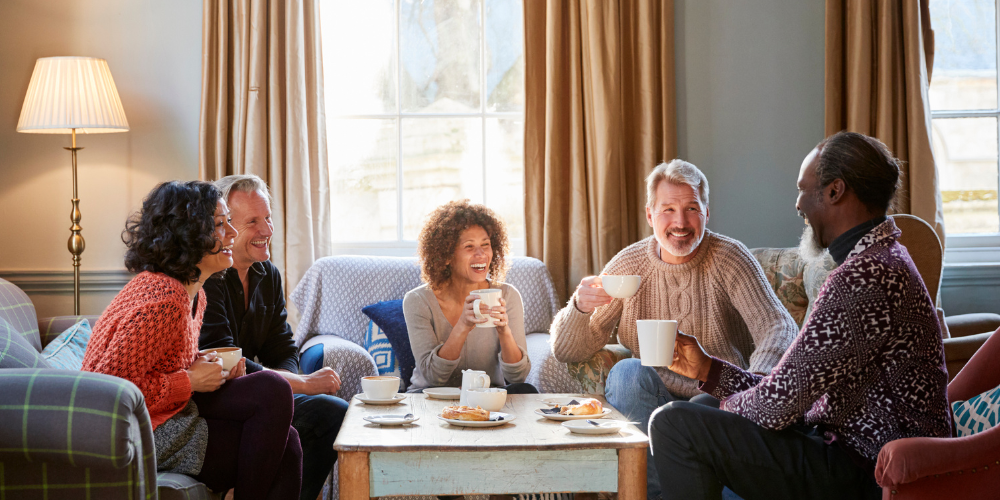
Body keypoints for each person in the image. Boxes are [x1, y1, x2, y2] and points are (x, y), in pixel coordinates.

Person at [650, 131, 952, 499]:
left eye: (803, 189)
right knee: (704, 403)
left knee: (673, 424)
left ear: (834, 191)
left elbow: (777, 406)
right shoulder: (882, 258)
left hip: (868, 471)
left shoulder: (863, 278)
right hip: (846, 443)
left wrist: (721, 389)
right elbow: (790, 392)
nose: (797, 204)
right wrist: (707, 372)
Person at [548, 159, 798, 499]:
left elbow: (778, 326)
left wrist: (752, 387)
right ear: (650, 215)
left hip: (714, 396)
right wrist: (579, 306)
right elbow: (567, 350)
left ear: (707, 213)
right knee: (626, 373)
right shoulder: (630, 265)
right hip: (652, 398)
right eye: (668, 209)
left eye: (691, 208)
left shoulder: (729, 258)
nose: (680, 222)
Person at [82, 180, 301, 500]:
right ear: (188, 235)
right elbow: (109, 394)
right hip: (145, 430)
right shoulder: (163, 301)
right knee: (274, 393)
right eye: (219, 224)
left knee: (288, 438)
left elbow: (160, 360)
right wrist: (188, 380)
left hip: (168, 413)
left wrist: (201, 365)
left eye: (229, 221)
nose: (231, 232)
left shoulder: (191, 293)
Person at [199, 174, 348, 500]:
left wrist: (288, 384)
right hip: (219, 394)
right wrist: (302, 386)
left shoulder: (268, 274)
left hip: (260, 392)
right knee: (328, 413)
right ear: (225, 227)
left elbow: (282, 346)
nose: (266, 230)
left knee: (334, 412)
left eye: (267, 218)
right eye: (253, 221)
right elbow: (225, 359)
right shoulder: (207, 278)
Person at [403, 200, 536, 394]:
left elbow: (518, 377)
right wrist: (463, 326)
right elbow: (434, 376)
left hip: (487, 397)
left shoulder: (508, 295)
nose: (481, 254)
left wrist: (504, 330)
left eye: (486, 245)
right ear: (446, 256)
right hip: (430, 397)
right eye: (469, 247)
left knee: (526, 390)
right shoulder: (417, 300)